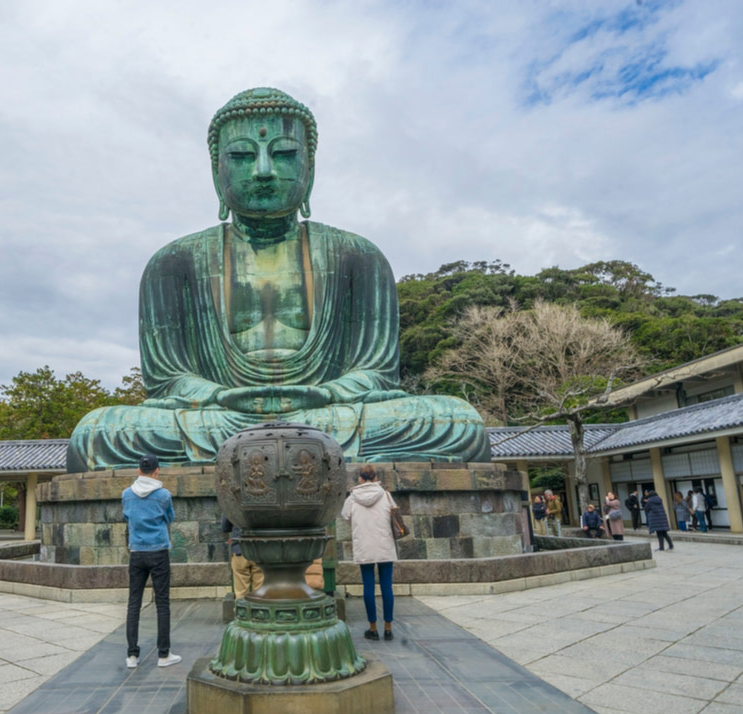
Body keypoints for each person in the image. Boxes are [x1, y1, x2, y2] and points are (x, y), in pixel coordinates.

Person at [66, 87, 489, 472]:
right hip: (220, 416)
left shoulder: (358, 256)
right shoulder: (174, 263)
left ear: (310, 168)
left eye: (284, 153)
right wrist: (217, 396)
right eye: (243, 156)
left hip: (330, 412)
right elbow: (168, 380)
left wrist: (323, 394)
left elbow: (375, 372)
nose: (264, 170)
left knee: (455, 421)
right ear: (217, 173)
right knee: (98, 432)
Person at [121, 454, 180, 668]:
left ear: (138, 471)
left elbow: (127, 517)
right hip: (158, 551)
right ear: (157, 471)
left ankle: (132, 655)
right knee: (162, 603)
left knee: (134, 603)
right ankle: (164, 654)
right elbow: (169, 518)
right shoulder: (163, 495)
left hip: (137, 552)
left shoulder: (127, 494)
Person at [341, 465, 397, 641]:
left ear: (360, 478)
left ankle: (372, 628)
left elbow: (346, 517)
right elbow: (393, 514)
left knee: (368, 587)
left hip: (364, 545)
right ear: (375, 478)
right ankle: (388, 628)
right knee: (387, 586)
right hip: (384, 545)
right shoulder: (386, 495)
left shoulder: (352, 499)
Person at [222, 515, 263, 599]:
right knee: (260, 590)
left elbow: (225, 527)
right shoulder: (264, 502)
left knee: (241, 592)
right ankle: (259, 610)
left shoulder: (232, 503)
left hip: (239, 550)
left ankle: (241, 611)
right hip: (259, 550)